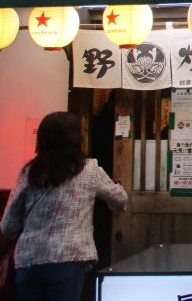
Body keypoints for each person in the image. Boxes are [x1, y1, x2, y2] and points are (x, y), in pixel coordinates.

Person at [0, 111, 128, 301]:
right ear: (76, 138)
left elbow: (8, 225)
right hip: (68, 258)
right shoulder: (89, 170)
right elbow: (120, 198)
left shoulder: (29, 172)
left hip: (28, 260)